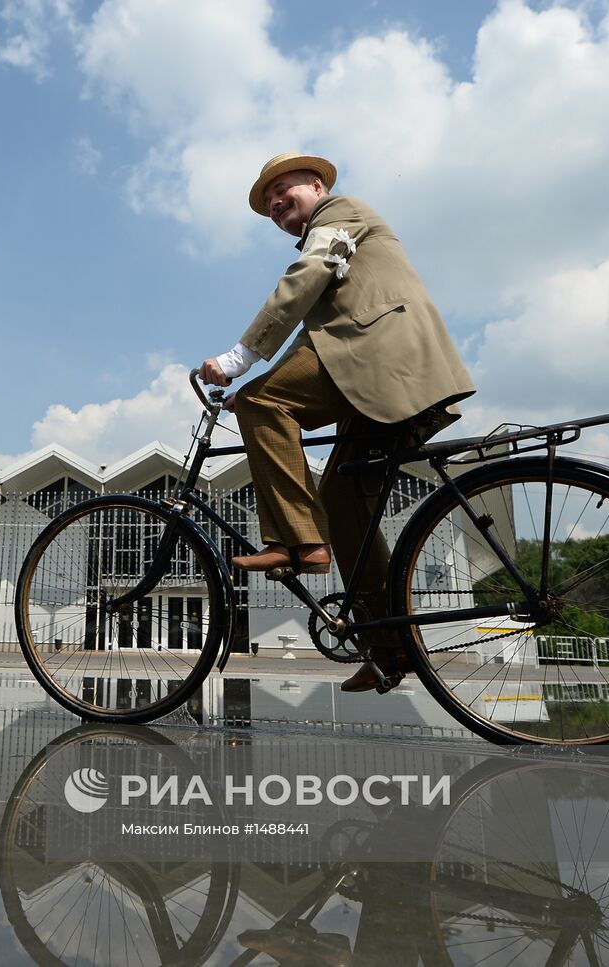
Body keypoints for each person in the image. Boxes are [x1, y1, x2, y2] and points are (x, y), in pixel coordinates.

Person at [200, 152, 475, 693]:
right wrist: (259, 388)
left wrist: (239, 363)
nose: (277, 202)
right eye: (268, 201)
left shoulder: (340, 214)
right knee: (345, 499)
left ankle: (299, 543)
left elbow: (310, 273)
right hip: (371, 376)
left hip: (380, 358)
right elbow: (316, 340)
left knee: (263, 406)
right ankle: (390, 647)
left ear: (317, 183)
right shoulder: (334, 239)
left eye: (285, 188)